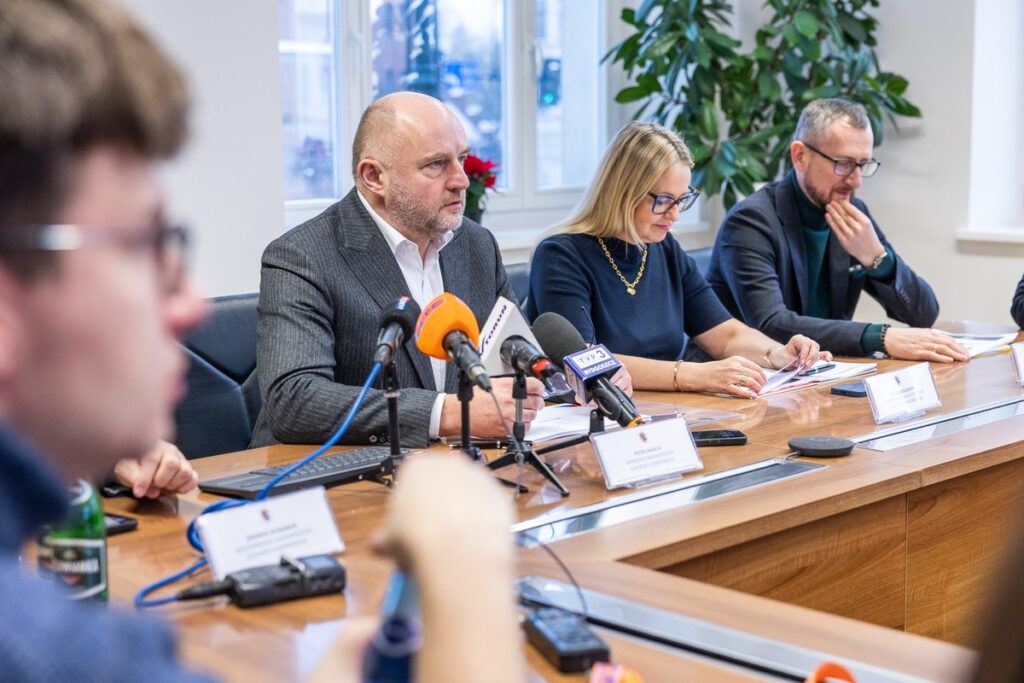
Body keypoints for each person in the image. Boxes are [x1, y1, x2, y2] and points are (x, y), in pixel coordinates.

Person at [0, 2, 523, 681]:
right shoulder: (52, 649)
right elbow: (295, 398)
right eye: (140, 245)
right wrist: (467, 570)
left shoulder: (475, 245)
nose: (188, 302)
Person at [252, 92, 545, 447]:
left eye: (462, 159)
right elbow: (294, 400)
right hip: (331, 470)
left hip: (452, 463)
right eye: (436, 164)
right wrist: (448, 413)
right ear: (374, 176)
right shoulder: (302, 256)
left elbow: (517, 350)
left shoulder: (476, 244)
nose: (461, 180)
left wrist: (568, 379)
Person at [526, 122, 829, 398]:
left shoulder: (663, 248)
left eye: (681, 200)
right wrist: (694, 375)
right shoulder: (560, 256)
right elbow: (585, 360)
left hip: (668, 408)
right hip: (597, 415)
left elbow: (725, 335)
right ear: (623, 192)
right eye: (664, 201)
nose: (674, 215)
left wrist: (776, 353)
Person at [706, 98, 968, 363]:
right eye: (843, 163)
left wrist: (878, 259)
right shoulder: (750, 221)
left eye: (863, 165)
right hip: (747, 376)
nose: (856, 181)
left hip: (823, 369)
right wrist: (879, 337)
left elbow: (923, 315)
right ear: (800, 156)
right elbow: (771, 323)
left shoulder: (851, 212)